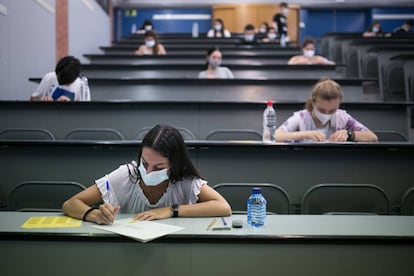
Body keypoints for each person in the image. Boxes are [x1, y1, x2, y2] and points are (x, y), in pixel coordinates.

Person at [62, 124, 232, 224]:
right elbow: (70, 204)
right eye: (144, 163)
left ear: (175, 164)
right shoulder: (126, 174)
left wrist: (171, 210)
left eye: (158, 167)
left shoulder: (185, 180)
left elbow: (223, 207)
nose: (148, 172)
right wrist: (94, 215)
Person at [275, 77, 378, 143]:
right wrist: (305, 134)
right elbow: (275, 136)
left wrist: (350, 134)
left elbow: (373, 137)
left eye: (332, 110)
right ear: (314, 102)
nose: (327, 114)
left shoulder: (342, 117)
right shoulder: (301, 117)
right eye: (322, 110)